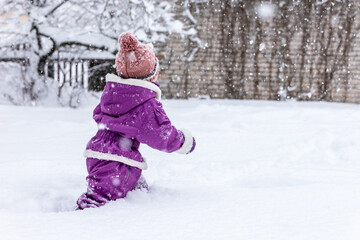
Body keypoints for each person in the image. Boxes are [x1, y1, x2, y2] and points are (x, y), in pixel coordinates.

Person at [76, 32, 196, 210]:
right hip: (117, 160)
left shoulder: (113, 94)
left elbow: (99, 115)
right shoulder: (146, 105)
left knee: (138, 192)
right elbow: (161, 135)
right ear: (151, 75)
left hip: (99, 153)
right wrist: (183, 142)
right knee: (96, 204)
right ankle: (75, 226)